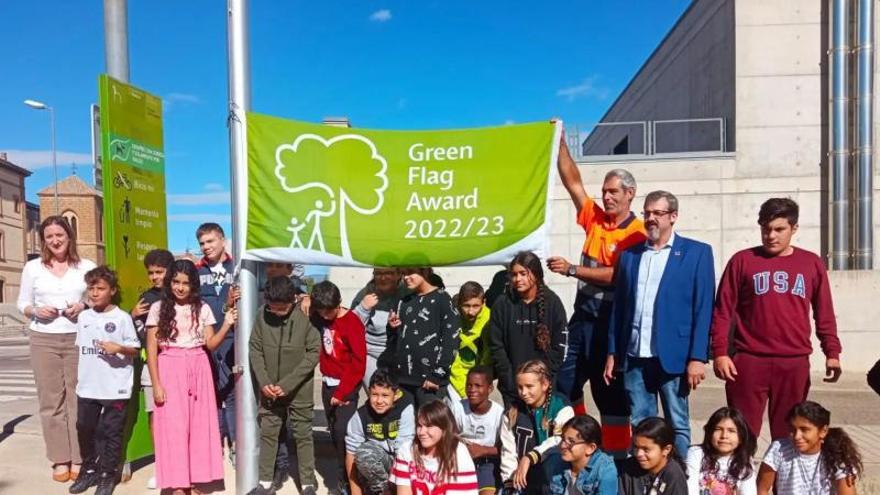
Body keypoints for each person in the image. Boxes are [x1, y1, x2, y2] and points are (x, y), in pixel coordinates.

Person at [547, 129, 645, 460]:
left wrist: (573, 269)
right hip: (582, 318)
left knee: (611, 394)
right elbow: (574, 183)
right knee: (565, 383)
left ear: (630, 193)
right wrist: (559, 145)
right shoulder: (596, 220)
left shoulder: (637, 233)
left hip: (611, 325)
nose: (607, 197)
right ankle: (579, 441)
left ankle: (616, 459)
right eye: (604, 191)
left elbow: (616, 275)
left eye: (614, 192)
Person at [710, 198, 843, 440]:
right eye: (765, 229)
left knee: (789, 436)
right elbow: (722, 311)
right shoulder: (742, 261)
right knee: (741, 435)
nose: (771, 235)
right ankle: (742, 478)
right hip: (748, 361)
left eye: (779, 229)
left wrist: (832, 352)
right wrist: (720, 352)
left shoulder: (811, 263)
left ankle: (783, 479)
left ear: (794, 229)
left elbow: (824, 312)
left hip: (793, 362)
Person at [604, 190, 715, 456]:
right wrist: (612, 351)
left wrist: (698, 356)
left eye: (658, 213)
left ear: (673, 216)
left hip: (674, 357)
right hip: (634, 356)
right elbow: (619, 307)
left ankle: (679, 477)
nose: (651, 218)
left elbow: (704, 309)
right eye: (647, 213)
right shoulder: (630, 256)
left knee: (677, 424)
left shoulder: (696, 253)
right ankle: (645, 480)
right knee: (641, 423)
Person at [145, 259, 237, 493]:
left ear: (193, 285)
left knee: (198, 427)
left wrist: (226, 324)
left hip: (199, 366)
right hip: (169, 367)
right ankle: (177, 483)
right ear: (170, 282)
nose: (180, 287)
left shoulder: (202, 307)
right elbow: (152, 350)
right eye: (176, 282)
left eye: (186, 283)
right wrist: (156, 384)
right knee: (173, 428)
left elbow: (212, 344)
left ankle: (195, 480)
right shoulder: (158, 309)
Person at [17, 215, 97, 482]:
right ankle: (59, 458)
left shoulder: (86, 266)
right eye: (49, 236)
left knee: (78, 400)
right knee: (51, 402)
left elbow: (97, 296)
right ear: (43, 240)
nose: (55, 241)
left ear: (69, 236)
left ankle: (79, 456)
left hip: (77, 338)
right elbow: (22, 303)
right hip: (43, 339)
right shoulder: (33, 268)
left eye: (59, 235)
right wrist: (36, 310)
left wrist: (83, 306)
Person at [68, 266, 140, 495]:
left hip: (114, 388)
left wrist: (118, 348)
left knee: (111, 432)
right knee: (84, 428)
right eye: (91, 288)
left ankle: (108, 474)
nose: (95, 293)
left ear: (112, 291)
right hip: (88, 387)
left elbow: (135, 350)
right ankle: (89, 470)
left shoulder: (122, 318)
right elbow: (82, 349)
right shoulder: (84, 317)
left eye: (101, 288)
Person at [248, 276, 320, 495]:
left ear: (294, 300)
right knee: (268, 433)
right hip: (269, 389)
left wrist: (288, 384)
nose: (277, 312)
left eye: (282, 309)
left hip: (299, 389)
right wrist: (264, 381)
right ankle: (265, 483)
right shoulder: (262, 315)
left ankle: (308, 483)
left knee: (303, 434)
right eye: (273, 308)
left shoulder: (306, 316)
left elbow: (314, 352)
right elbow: (255, 348)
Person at [488, 251, 567, 406]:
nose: (518, 279)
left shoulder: (553, 302)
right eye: (514, 275)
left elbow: (560, 345)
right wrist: (511, 381)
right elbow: (496, 346)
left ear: (536, 274)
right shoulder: (502, 304)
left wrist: (542, 380)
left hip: (545, 389)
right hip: (512, 390)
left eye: (523, 274)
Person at [312, 280, 367, 493]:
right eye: (321, 311)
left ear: (339, 304)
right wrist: (304, 298)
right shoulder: (319, 317)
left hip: (345, 388)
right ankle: (342, 475)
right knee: (335, 434)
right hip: (327, 385)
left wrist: (343, 391)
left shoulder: (352, 322)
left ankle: (347, 481)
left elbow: (358, 362)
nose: (325, 316)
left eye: (329, 311)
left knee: (344, 434)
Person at [380, 267, 460, 408]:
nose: (406, 277)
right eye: (404, 273)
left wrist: (437, 375)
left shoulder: (443, 299)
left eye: (411, 272)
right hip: (403, 381)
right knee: (406, 428)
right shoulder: (404, 302)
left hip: (429, 382)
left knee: (430, 426)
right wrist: (392, 328)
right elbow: (394, 341)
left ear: (425, 272)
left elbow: (451, 340)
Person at [130, 248, 174, 490]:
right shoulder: (146, 298)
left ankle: (180, 463)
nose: (155, 277)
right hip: (152, 366)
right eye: (151, 273)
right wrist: (132, 315)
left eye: (159, 272)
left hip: (179, 363)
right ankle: (161, 466)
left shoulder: (182, 291)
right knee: (154, 417)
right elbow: (134, 333)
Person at [194, 222, 238, 457]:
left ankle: (234, 444)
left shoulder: (238, 267)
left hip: (232, 339)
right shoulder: (196, 271)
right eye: (202, 243)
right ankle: (214, 444)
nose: (206, 247)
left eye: (210, 241)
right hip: (205, 340)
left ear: (223, 240)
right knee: (209, 394)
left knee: (232, 392)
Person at [500, 360, 574, 495]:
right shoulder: (512, 411)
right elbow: (508, 451)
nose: (524, 392)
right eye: (520, 387)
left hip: (552, 475)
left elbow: (559, 441)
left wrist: (530, 456)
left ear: (545, 384)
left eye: (529, 386)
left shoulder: (561, 407)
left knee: (555, 459)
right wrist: (509, 482)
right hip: (522, 477)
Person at [757, 401, 862, 495]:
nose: (797, 436)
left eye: (804, 429)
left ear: (823, 431)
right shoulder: (778, 449)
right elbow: (761, 489)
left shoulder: (838, 455)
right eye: (792, 429)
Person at [345, 369, 415, 495]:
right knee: (364, 453)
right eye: (374, 394)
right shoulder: (361, 415)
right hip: (379, 466)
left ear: (396, 394)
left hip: (404, 463)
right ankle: (383, 491)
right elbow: (351, 453)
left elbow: (404, 450)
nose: (379, 401)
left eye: (385, 395)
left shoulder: (406, 409)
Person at [389, 400, 479, 495]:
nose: (422, 432)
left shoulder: (458, 453)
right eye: (419, 425)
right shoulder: (407, 450)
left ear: (444, 428)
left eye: (429, 426)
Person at [446, 366, 504, 495]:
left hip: (487, 462)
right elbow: (448, 436)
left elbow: (504, 449)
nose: (472, 390)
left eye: (478, 386)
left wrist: (483, 450)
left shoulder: (498, 413)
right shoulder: (458, 408)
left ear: (490, 388)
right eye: (469, 385)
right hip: (459, 460)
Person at [352, 267, 409, 389]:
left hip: (399, 354)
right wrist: (363, 308)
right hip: (371, 354)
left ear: (399, 274)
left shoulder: (408, 294)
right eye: (378, 273)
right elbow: (351, 328)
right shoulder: (364, 294)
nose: (383, 278)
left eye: (388, 273)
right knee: (378, 395)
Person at [686, 407, 757, 495]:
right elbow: (690, 489)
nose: (724, 436)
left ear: (741, 438)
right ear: (710, 433)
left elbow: (748, 491)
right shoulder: (696, 453)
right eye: (718, 429)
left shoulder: (745, 460)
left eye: (731, 431)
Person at [548, 416, 618, 495]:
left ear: (590, 448)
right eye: (563, 439)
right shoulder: (559, 462)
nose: (563, 446)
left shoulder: (605, 469)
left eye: (571, 441)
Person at [618, 417, 688, 495]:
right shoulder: (629, 467)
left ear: (666, 449)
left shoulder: (674, 476)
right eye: (636, 447)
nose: (638, 454)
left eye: (646, 449)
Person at [449, 282, 492, 400]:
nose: (471, 311)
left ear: (484, 302)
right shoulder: (452, 318)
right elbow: (452, 357)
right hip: (456, 378)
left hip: (485, 378)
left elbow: (488, 358)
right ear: (459, 304)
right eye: (466, 306)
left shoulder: (491, 320)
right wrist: (463, 390)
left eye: (476, 306)